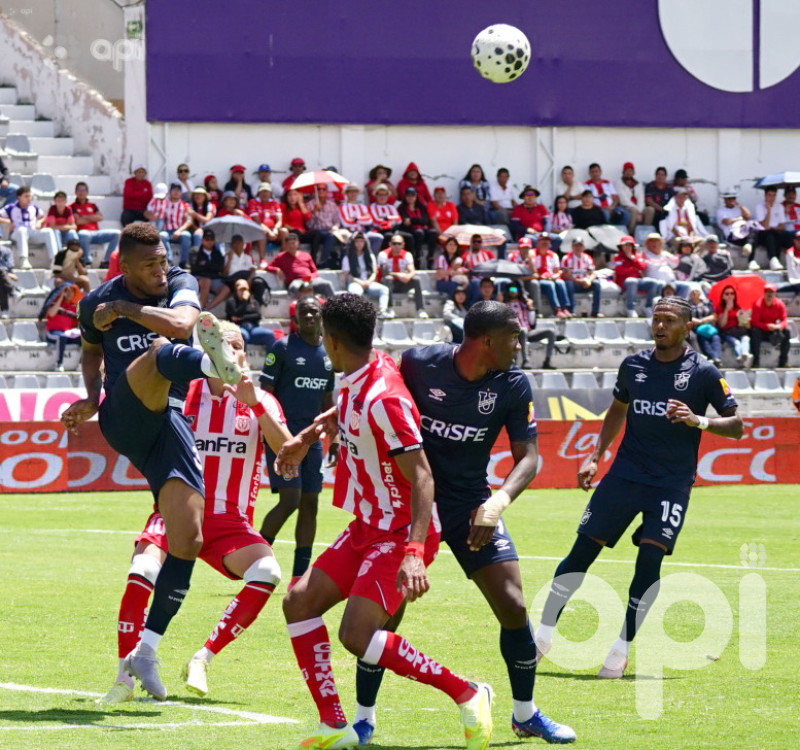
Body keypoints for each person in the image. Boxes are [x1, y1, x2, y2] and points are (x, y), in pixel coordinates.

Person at [348, 300, 575, 745]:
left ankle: (525, 713)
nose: (520, 344)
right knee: (386, 616)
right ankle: (363, 718)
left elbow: (529, 457)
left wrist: (499, 501)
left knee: (513, 605)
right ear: (487, 341)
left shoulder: (513, 384)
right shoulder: (418, 362)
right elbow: (376, 402)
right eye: (514, 337)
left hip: (473, 507)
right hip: (414, 504)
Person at [274, 294, 495, 750]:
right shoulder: (358, 375)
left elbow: (422, 476)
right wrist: (308, 436)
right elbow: (347, 407)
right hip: (367, 527)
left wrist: (414, 554)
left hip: (400, 533)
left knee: (356, 635)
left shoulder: (384, 399)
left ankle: (469, 692)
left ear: (332, 343)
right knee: (298, 603)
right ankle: (335, 725)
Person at [60, 222, 243, 700]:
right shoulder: (91, 302)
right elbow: (90, 350)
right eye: (150, 264)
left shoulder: (178, 283)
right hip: (123, 414)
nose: (162, 270)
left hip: (168, 422)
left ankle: (146, 649)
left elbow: (184, 324)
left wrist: (123, 310)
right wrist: (90, 395)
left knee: (188, 538)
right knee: (163, 353)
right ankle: (210, 366)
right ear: (125, 265)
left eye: (163, 259)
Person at [534, 296, 742, 680]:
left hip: (670, 484)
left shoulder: (705, 373)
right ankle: (542, 635)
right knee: (580, 553)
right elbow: (618, 408)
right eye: (656, 319)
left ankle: (620, 648)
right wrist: (596, 454)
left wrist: (698, 420)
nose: (659, 326)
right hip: (624, 476)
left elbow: (737, 426)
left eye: (668, 320)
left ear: (686, 327)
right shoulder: (633, 366)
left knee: (649, 560)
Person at [100, 322, 290, 704]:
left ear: (244, 356)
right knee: (142, 571)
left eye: (235, 347)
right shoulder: (184, 392)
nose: (229, 354)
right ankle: (125, 674)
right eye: (220, 347)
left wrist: (253, 402)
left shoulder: (262, 401)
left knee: (268, 571)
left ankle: (202, 657)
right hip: (176, 507)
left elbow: (288, 453)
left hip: (230, 521)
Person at [258, 296, 337, 592]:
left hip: (314, 441)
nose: (308, 315)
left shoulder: (328, 354)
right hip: (284, 438)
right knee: (290, 499)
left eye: (313, 311)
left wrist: (336, 437)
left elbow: (328, 399)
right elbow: (265, 394)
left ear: (320, 317)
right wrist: (271, 432)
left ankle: (298, 575)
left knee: (310, 503)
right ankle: (256, 558)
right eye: (303, 311)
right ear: (296, 316)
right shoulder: (282, 349)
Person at [0, 185, 59, 269]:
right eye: (26, 196)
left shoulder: (33, 207)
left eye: (30, 196)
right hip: (17, 233)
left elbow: (43, 216)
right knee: (22, 230)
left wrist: (39, 222)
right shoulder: (11, 207)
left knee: (48, 231)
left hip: (32, 232)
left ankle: (55, 260)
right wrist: (7, 221)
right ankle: (24, 260)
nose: (29, 198)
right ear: (19, 197)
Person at [266, 231, 335, 299]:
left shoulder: (306, 255)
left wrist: (310, 277)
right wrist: (277, 270)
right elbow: (268, 267)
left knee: (327, 284)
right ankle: (297, 307)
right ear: (286, 245)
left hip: (309, 280)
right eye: (289, 244)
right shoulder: (281, 256)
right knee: (294, 287)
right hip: (295, 281)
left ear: (298, 244)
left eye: (293, 243)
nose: (291, 246)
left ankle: (333, 307)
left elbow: (315, 271)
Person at [376, 233, 428, 318]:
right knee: (388, 279)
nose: (396, 246)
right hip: (387, 284)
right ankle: (390, 309)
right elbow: (385, 272)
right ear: (390, 244)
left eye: (399, 244)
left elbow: (412, 270)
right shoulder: (383, 254)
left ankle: (420, 309)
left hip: (402, 283)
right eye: (394, 243)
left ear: (403, 245)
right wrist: (399, 275)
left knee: (416, 280)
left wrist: (408, 276)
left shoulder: (407, 255)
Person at [504, 284, 556, 369]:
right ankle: (525, 360)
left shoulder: (524, 305)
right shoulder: (505, 306)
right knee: (523, 330)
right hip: (514, 334)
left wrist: (531, 308)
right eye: (511, 289)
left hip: (528, 332)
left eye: (515, 289)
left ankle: (547, 360)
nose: (513, 292)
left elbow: (532, 323)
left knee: (551, 331)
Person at [341, 231, 391, 317]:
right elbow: (347, 275)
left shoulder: (370, 256)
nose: (359, 244)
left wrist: (368, 281)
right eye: (357, 241)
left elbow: (374, 272)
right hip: (355, 282)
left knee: (384, 289)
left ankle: (382, 311)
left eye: (361, 241)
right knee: (356, 292)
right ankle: (357, 314)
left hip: (369, 282)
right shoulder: (347, 257)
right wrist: (361, 282)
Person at [71, 181, 120, 267]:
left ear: (87, 192)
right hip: (83, 233)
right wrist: (92, 217)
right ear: (75, 192)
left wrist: (84, 217)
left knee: (116, 234)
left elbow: (100, 218)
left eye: (83, 190)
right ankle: (87, 260)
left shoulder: (93, 205)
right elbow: (78, 221)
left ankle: (107, 261)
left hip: (96, 232)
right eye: (79, 190)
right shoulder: (72, 206)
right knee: (83, 234)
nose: (81, 192)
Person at [612, 235, 661, 318]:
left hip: (637, 282)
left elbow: (643, 267)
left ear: (633, 247)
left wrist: (632, 258)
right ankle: (630, 308)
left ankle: (647, 307)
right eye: (625, 245)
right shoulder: (617, 258)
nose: (627, 248)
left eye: (629, 245)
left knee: (653, 282)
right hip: (624, 283)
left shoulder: (637, 257)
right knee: (631, 281)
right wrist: (633, 269)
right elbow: (619, 271)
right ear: (621, 247)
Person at [205, 234, 256, 311]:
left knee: (255, 283)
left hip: (245, 278)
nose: (238, 246)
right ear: (232, 245)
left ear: (243, 245)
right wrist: (229, 260)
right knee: (238, 285)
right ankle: (208, 308)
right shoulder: (227, 257)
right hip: (231, 280)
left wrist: (250, 279)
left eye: (240, 243)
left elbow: (252, 269)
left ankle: (251, 306)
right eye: (236, 243)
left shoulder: (247, 257)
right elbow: (224, 273)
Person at [225, 278, 276, 348]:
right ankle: (241, 358)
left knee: (270, 334)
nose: (243, 292)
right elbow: (235, 314)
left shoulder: (253, 301)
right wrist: (244, 301)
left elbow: (258, 315)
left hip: (253, 329)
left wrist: (242, 317)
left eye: (245, 289)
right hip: (238, 328)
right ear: (236, 290)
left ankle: (271, 359)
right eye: (241, 289)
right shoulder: (231, 301)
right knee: (243, 335)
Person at [715, 190, 758, 270]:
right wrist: (740, 218)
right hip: (731, 235)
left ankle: (749, 247)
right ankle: (751, 260)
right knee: (752, 240)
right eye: (729, 198)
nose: (731, 200)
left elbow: (748, 215)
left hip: (743, 232)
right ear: (725, 199)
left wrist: (740, 206)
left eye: (733, 198)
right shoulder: (721, 211)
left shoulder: (738, 209)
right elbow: (727, 222)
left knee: (753, 227)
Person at [531, 233, 571, 318]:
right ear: (538, 242)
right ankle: (556, 309)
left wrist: (555, 276)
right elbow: (531, 270)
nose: (545, 242)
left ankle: (565, 308)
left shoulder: (553, 255)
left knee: (560, 283)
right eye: (543, 240)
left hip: (551, 277)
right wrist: (542, 276)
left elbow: (557, 271)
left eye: (547, 240)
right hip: (539, 278)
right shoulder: (532, 254)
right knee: (550, 284)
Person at [750, 284, 790, 368]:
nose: (769, 295)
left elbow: (784, 320)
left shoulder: (780, 304)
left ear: (775, 294)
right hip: (762, 331)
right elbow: (755, 322)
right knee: (754, 331)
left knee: (787, 332)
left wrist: (778, 326)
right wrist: (767, 326)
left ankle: (783, 362)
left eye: (771, 292)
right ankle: (756, 361)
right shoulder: (758, 304)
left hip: (774, 330)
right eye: (767, 292)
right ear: (764, 293)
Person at [44, 282, 82, 371]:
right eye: (67, 291)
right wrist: (60, 297)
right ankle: (59, 364)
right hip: (52, 333)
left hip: (67, 334)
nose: (69, 293)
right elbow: (51, 313)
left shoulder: (75, 308)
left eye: (72, 291)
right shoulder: (55, 303)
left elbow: (80, 322)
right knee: (61, 336)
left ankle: (81, 364)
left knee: (86, 338)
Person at [642, 233, 692, 299]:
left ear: (661, 243)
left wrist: (662, 254)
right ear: (647, 244)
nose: (655, 244)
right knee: (662, 285)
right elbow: (649, 265)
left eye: (657, 241)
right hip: (657, 283)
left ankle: (678, 306)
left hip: (671, 282)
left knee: (685, 286)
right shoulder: (644, 255)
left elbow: (676, 264)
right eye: (652, 241)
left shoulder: (665, 254)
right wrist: (662, 261)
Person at [754, 187, 793, 271]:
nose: (771, 198)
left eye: (774, 195)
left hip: (776, 232)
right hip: (763, 234)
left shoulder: (779, 206)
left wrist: (773, 228)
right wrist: (769, 210)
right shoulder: (759, 207)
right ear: (765, 196)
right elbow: (764, 226)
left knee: (792, 236)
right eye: (769, 195)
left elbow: (782, 226)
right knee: (770, 233)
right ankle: (773, 259)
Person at [397, 186, 437, 268]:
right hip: (409, 231)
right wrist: (418, 221)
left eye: (413, 195)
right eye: (408, 195)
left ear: (416, 197)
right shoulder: (401, 208)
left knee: (432, 232)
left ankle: (430, 257)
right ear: (405, 197)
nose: (411, 197)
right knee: (419, 233)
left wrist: (412, 220)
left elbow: (425, 220)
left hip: (420, 230)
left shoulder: (421, 207)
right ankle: (417, 257)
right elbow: (405, 222)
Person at [561, 238, 602, 317]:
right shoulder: (566, 258)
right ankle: (571, 310)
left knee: (596, 284)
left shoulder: (587, 258)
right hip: (574, 283)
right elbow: (565, 275)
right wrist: (580, 281)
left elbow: (592, 273)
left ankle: (595, 312)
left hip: (585, 283)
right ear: (572, 247)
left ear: (584, 247)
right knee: (568, 284)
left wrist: (589, 280)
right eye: (576, 246)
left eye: (580, 246)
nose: (578, 248)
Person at [714, 284, 753, 368]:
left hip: (739, 331)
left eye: (732, 293)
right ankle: (743, 358)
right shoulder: (720, 308)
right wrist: (726, 310)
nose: (730, 296)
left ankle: (743, 355)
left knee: (746, 339)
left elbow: (745, 323)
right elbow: (722, 324)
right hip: (727, 332)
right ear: (723, 296)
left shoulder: (738, 307)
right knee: (737, 343)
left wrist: (744, 317)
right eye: (727, 294)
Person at [306, 184, 343, 268]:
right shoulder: (309, 205)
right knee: (321, 235)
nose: (321, 191)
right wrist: (314, 211)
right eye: (319, 189)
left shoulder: (332, 205)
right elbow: (309, 225)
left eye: (323, 189)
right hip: (316, 231)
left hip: (330, 230)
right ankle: (323, 261)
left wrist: (335, 228)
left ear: (327, 191)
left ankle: (324, 261)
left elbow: (337, 221)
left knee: (333, 236)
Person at [157, 183, 193, 268]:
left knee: (186, 235)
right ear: (170, 192)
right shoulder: (164, 203)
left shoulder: (185, 205)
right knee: (162, 235)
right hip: (166, 231)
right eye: (174, 190)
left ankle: (184, 262)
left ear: (181, 193)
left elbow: (189, 221)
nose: (176, 192)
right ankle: (168, 260)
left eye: (178, 190)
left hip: (179, 230)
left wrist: (179, 231)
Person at [190, 229, 226, 309]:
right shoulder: (195, 251)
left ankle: (207, 308)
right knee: (206, 281)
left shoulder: (217, 253)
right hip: (198, 278)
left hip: (213, 278)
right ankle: (201, 308)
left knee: (226, 289)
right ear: (202, 240)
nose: (209, 242)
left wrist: (205, 264)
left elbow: (219, 268)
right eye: (207, 239)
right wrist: (211, 266)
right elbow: (195, 267)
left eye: (212, 239)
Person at [584, 162, 628, 227]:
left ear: (600, 172)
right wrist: (605, 208)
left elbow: (615, 197)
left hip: (612, 207)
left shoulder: (607, 183)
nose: (595, 174)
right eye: (593, 172)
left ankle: (620, 231)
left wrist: (612, 207)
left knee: (626, 214)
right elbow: (589, 201)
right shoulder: (587, 184)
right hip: (598, 208)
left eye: (596, 171)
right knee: (606, 213)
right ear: (590, 173)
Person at [688, 287, 722, 367]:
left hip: (708, 328)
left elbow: (714, 315)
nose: (695, 293)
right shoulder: (688, 305)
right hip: (696, 329)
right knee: (702, 339)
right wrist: (699, 322)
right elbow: (687, 317)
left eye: (696, 291)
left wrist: (702, 321)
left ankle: (716, 357)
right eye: (692, 292)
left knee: (716, 338)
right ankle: (713, 357)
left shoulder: (707, 303)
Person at [618, 162, 645, 233]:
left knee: (650, 210)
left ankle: (643, 233)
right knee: (633, 210)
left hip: (639, 208)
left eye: (630, 171)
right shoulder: (619, 182)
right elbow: (623, 200)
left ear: (633, 172)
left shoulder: (638, 184)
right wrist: (637, 211)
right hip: (626, 207)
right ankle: (630, 232)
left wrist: (640, 211)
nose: (629, 173)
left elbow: (641, 199)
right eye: (627, 171)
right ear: (623, 172)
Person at [0, 242, 19, 318]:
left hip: (3, 275)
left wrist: (7, 273)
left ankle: (4, 310)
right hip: (4, 274)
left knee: (1, 281)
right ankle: (12, 291)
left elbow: (9, 265)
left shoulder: (6, 251)